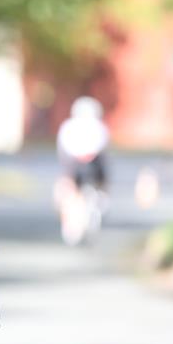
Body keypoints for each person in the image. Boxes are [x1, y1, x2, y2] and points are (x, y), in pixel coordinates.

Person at [54, 96, 110, 244]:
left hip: (73, 166)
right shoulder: (100, 127)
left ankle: (70, 223)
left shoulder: (68, 127)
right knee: (100, 187)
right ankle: (99, 203)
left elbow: (63, 151)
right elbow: (102, 151)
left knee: (67, 193)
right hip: (93, 166)